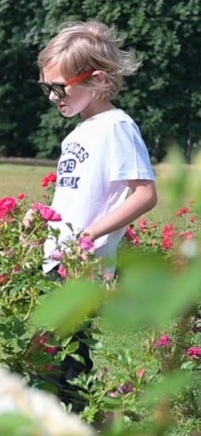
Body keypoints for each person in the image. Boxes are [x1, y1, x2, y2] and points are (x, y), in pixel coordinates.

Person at [38, 20, 157, 274]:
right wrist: (41, 216)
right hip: (60, 260)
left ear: (97, 79)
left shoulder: (116, 126)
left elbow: (145, 194)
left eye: (58, 87)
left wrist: (92, 234)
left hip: (88, 266)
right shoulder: (77, 135)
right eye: (46, 88)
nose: (51, 96)